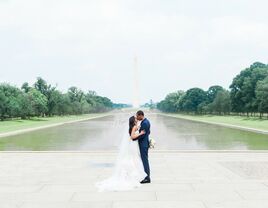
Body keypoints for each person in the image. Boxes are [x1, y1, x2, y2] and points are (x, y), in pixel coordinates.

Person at [95, 115, 147, 192]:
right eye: (136, 118)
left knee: (132, 158)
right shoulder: (134, 127)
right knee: (133, 158)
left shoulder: (133, 126)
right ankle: (132, 176)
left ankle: (131, 175)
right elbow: (132, 137)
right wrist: (141, 133)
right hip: (133, 144)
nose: (137, 119)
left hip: (132, 144)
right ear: (134, 120)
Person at [133, 110, 151, 184]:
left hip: (143, 145)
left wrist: (133, 138)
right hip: (144, 143)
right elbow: (148, 132)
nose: (136, 117)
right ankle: (145, 176)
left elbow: (143, 135)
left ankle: (147, 178)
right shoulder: (146, 122)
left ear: (141, 115)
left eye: (137, 116)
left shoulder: (145, 123)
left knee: (145, 161)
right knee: (144, 160)